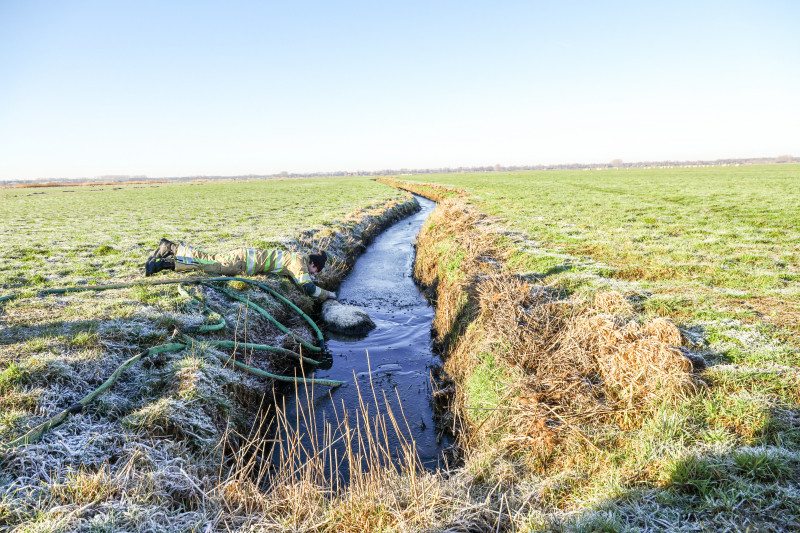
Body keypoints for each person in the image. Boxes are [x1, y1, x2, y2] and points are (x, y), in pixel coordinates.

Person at [144, 239, 337, 300]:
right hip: (241, 262)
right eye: (316, 271)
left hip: (243, 258)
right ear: (313, 264)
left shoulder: (297, 258)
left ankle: (171, 247)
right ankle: (163, 265)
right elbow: (308, 288)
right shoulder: (299, 264)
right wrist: (329, 295)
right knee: (208, 265)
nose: (314, 274)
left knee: (209, 260)